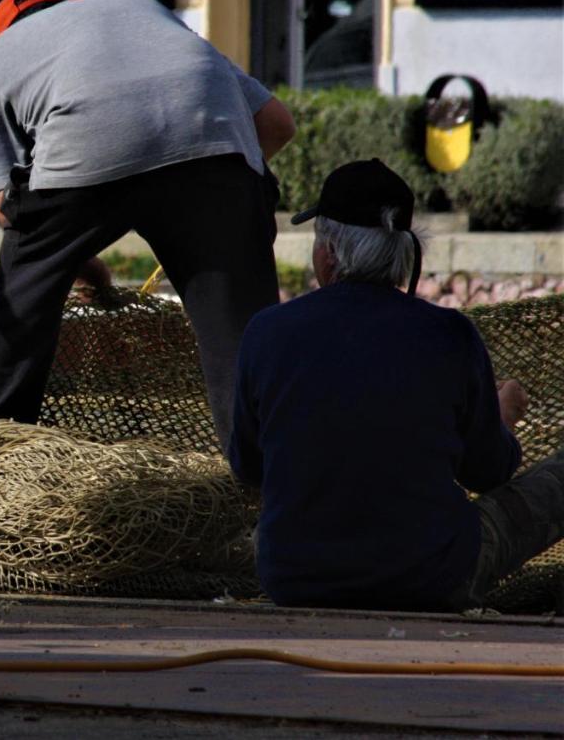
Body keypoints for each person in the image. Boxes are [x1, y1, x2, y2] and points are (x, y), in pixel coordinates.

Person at [0, 0, 296, 449]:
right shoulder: (137, 7)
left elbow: (5, 206)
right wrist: (223, 209)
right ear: (73, 2)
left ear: (4, 32)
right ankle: (267, 483)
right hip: (213, 149)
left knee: (23, 295)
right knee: (241, 344)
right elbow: (278, 124)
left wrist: (77, 259)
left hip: (82, 147)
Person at [228, 158, 563, 611]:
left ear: (327, 254)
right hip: (431, 578)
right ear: (404, 255)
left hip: (295, 578)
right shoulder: (450, 334)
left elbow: (249, 467)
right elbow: (487, 472)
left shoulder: (266, 332)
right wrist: (500, 419)